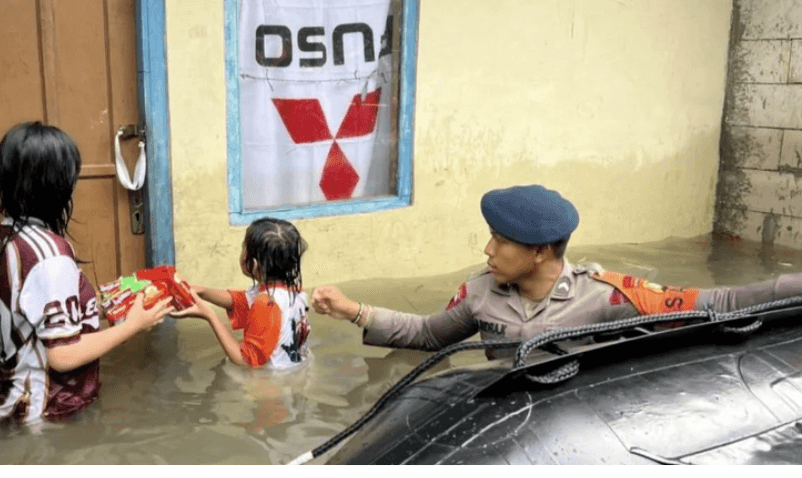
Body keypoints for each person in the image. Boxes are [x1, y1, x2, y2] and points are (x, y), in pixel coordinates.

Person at [311, 184, 802, 358]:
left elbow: (713, 304)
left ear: (540, 251)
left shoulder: (609, 296)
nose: (486, 249)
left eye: (500, 241)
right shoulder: (480, 293)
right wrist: (353, 310)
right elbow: (427, 335)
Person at [0, 121, 173, 424]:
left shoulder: (6, 237)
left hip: (13, 397)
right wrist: (132, 326)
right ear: (54, 184)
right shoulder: (50, 256)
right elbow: (62, 356)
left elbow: (38, 314)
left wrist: (115, 297)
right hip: (52, 410)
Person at [172, 218, 311, 369]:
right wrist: (202, 292)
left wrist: (210, 316)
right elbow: (241, 300)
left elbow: (244, 360)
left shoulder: (266, 303)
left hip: (271, 382)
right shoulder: (294, 291)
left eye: (243, 247)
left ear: (254, 264)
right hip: (297, 368)